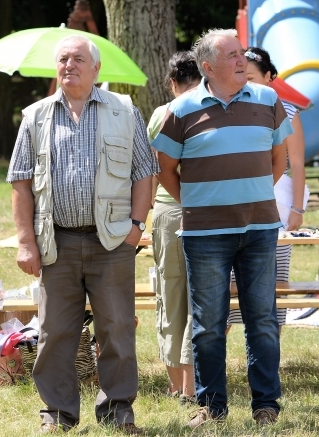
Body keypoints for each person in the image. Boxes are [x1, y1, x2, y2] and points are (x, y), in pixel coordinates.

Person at [8, 34, 157, 435]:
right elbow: (20, 184)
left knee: (117, 327)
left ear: (96, 69)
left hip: (112, 242)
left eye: (77, 59)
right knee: (56, 331)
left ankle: (118, 412)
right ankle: (56, 415)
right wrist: (26, 243)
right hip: (56, 242)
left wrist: (136, 227)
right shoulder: (36, 116)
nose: (69, 65)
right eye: (62, 59)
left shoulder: (124, 111)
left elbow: (146, 172)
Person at [152, 29, 292, 429]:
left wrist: (256, 194)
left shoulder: (267, 99)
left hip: (261, 229)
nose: (242, 61)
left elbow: (278, 159)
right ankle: (212, 408)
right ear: (208, 67)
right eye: (232, 55)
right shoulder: (181, 109)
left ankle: (266, 405)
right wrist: (196, 204)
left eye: (242, 54)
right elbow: (164, 168)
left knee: (262, 320)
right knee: (209, 325)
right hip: (205, 234)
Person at [224, 46, 309, 332]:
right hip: (233, 203)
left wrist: (297, 208)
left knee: (274, 278)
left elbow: (297, 163)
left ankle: (269, 354)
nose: (243, 82)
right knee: (227, 279)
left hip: (276, 203)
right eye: (238, 75)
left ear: (270, 76)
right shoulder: (226, 106)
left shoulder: (286, 110)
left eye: (250, 77)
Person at [147, 52, 200, 406]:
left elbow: (154, 170)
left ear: (171, 82)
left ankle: (178, 386)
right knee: (202, 299)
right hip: (208, 211)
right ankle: (192, 386)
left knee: (170, 297)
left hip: (168, 211)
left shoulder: (160, 114)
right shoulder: (211, 109)